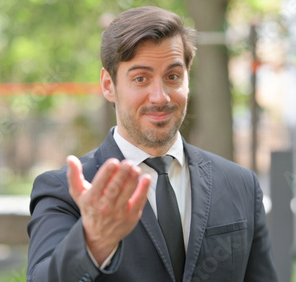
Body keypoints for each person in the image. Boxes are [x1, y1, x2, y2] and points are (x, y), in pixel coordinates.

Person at [27, 6, 278, 282]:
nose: (159, 97)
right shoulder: (63, 191)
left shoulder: (241, 184)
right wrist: (93, 243)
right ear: (109, 85)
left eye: (173, 76)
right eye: (140, 79)